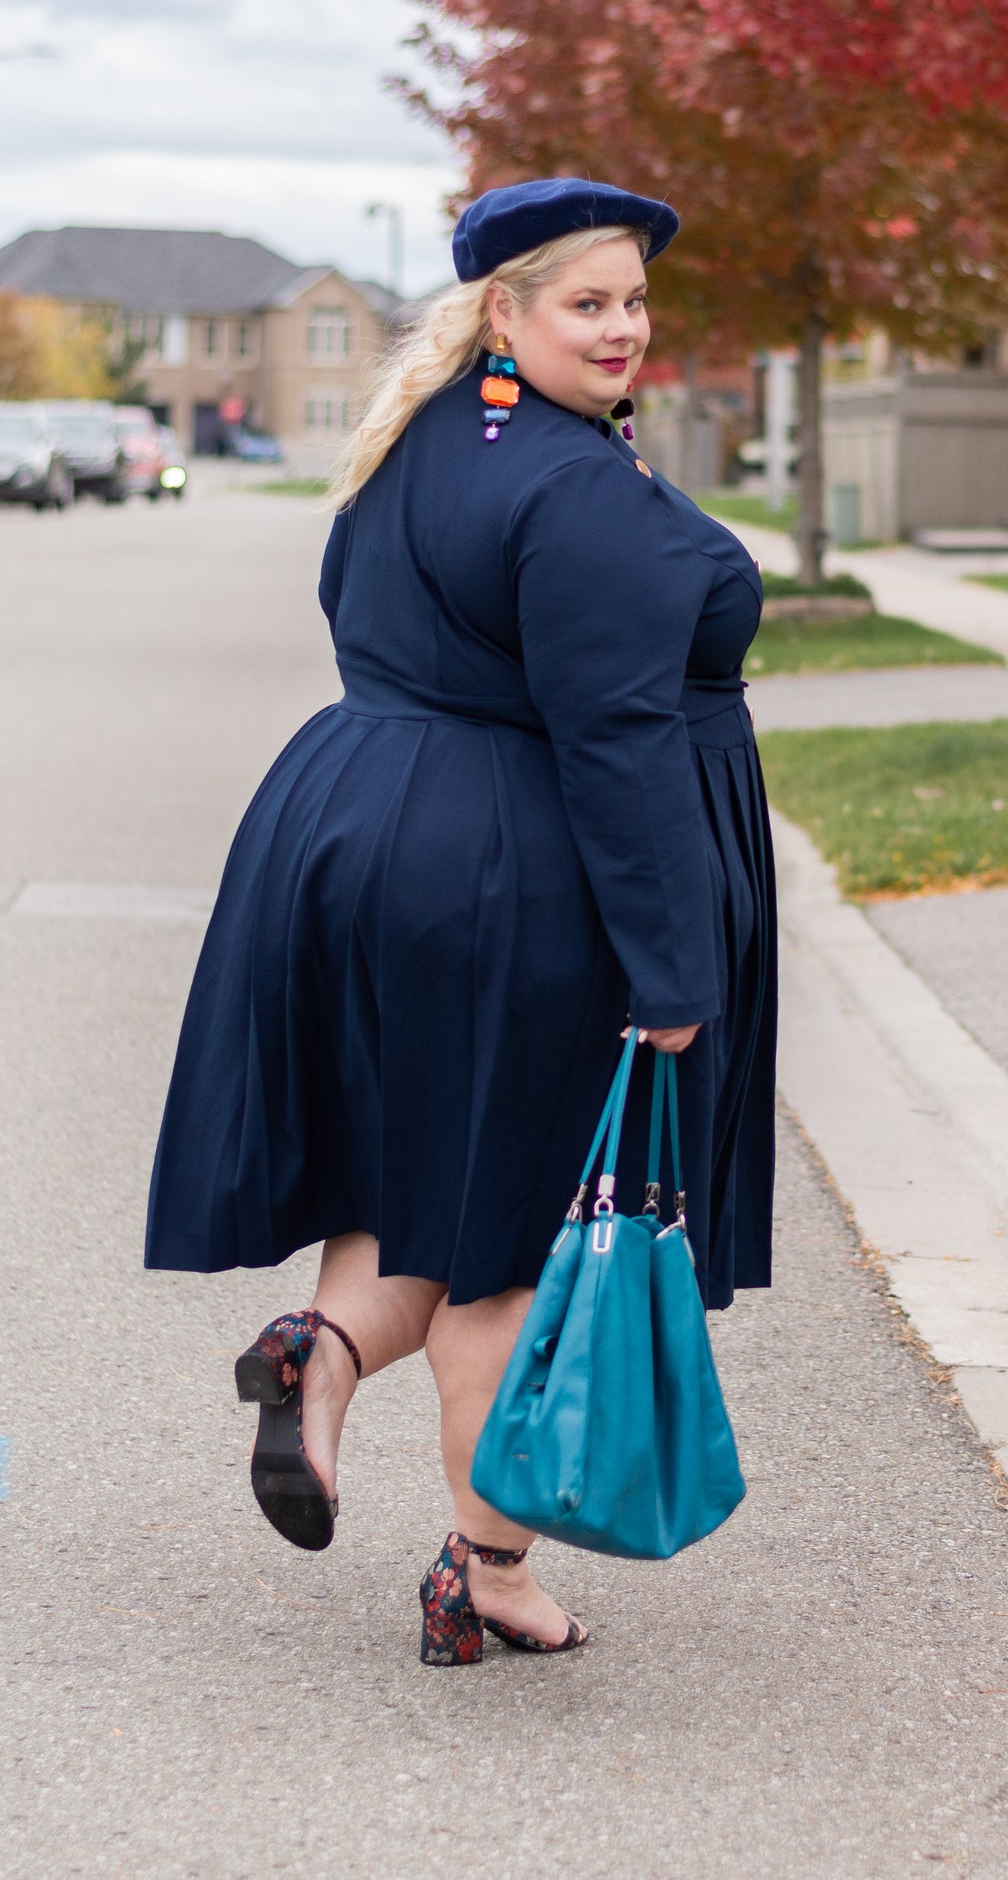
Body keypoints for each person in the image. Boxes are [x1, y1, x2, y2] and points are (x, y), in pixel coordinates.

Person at [145, 178, 777, 1667]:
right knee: (519, 1237)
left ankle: (321, 1351)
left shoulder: (413, 442)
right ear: (506, 312)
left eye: (632, 301)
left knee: (431, 1168)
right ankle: (483, 1570)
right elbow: (616, 743)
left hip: (352, 826)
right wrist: (674, 962)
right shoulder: (576, 494)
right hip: (509, 866)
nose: (621, 327)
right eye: (587, 302)